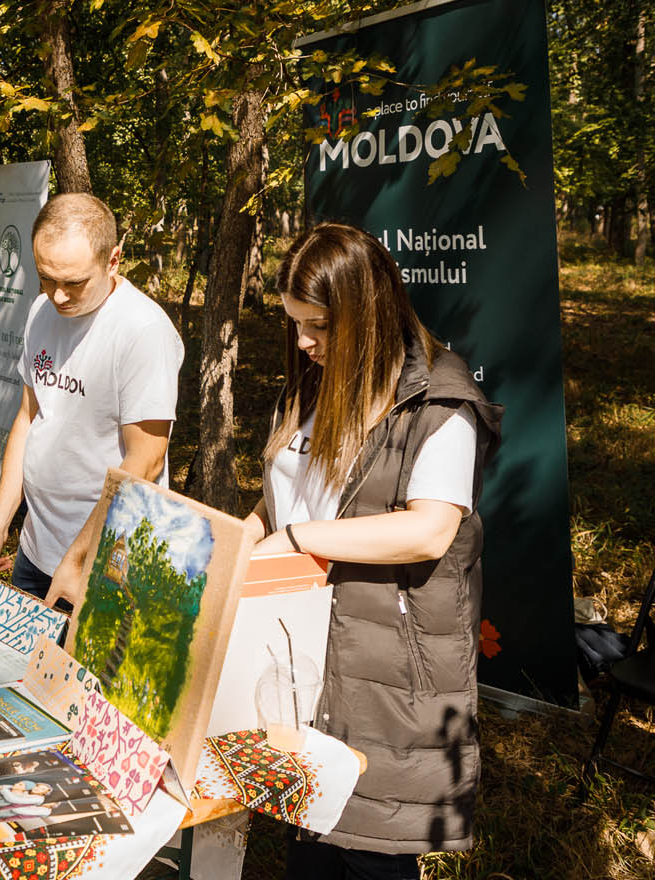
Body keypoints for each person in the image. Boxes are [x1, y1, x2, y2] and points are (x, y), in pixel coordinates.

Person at [243, 224, 501, 878]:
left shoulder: (439, 401)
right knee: (309, 846)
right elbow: (280, 499)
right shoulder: (309, 383)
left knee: (369, 852)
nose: (303, 342)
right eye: (295, 323)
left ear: (367, 312)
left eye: (319, 325)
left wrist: (298, 541)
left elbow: (428, 530)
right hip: (300, 660)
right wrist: (238, 543)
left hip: (381, 674)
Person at [0, 193, 184, 607]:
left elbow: (145, 461)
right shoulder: (41, 312)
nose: (57, 296)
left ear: (113, 261)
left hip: (105, 565)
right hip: (36, 550)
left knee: (83, 675)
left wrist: (77, 560)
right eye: (46, 278)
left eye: (73, 282)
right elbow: (28, 419)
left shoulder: (142, 330)